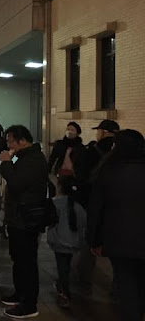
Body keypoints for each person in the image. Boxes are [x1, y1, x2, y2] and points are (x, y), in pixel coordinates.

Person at [87, 129, 145, 321]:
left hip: (119, 239)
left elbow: (96, 209)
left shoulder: (108, 171)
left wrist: (94, 239)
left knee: (126, 284)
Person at [0, 125, 49, 319]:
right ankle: (19, 294)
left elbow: (17, 183)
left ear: (22, 141)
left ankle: (29, 304)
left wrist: (5, 164)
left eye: (11, 141)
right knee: (18, 258)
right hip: (18, 216)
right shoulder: (25, 156)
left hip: (26, 218)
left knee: (26, 260)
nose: (9, 145)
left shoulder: (34, 159)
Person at [75, 119, 119, 294]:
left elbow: (81, 173)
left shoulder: (92, 151)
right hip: (117, 208)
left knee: (90, 239)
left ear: (104, 132)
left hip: (92, 201)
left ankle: (84, 280)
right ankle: (118, 286)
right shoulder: (123, 154)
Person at [47, 175, 86, 310]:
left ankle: (64, 291)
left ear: (60, 187)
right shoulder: (78, 207)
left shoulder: (55, 204)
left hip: (59, 241)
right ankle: (62, 285)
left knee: (62, 267)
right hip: (73, 242)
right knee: (66, 265)